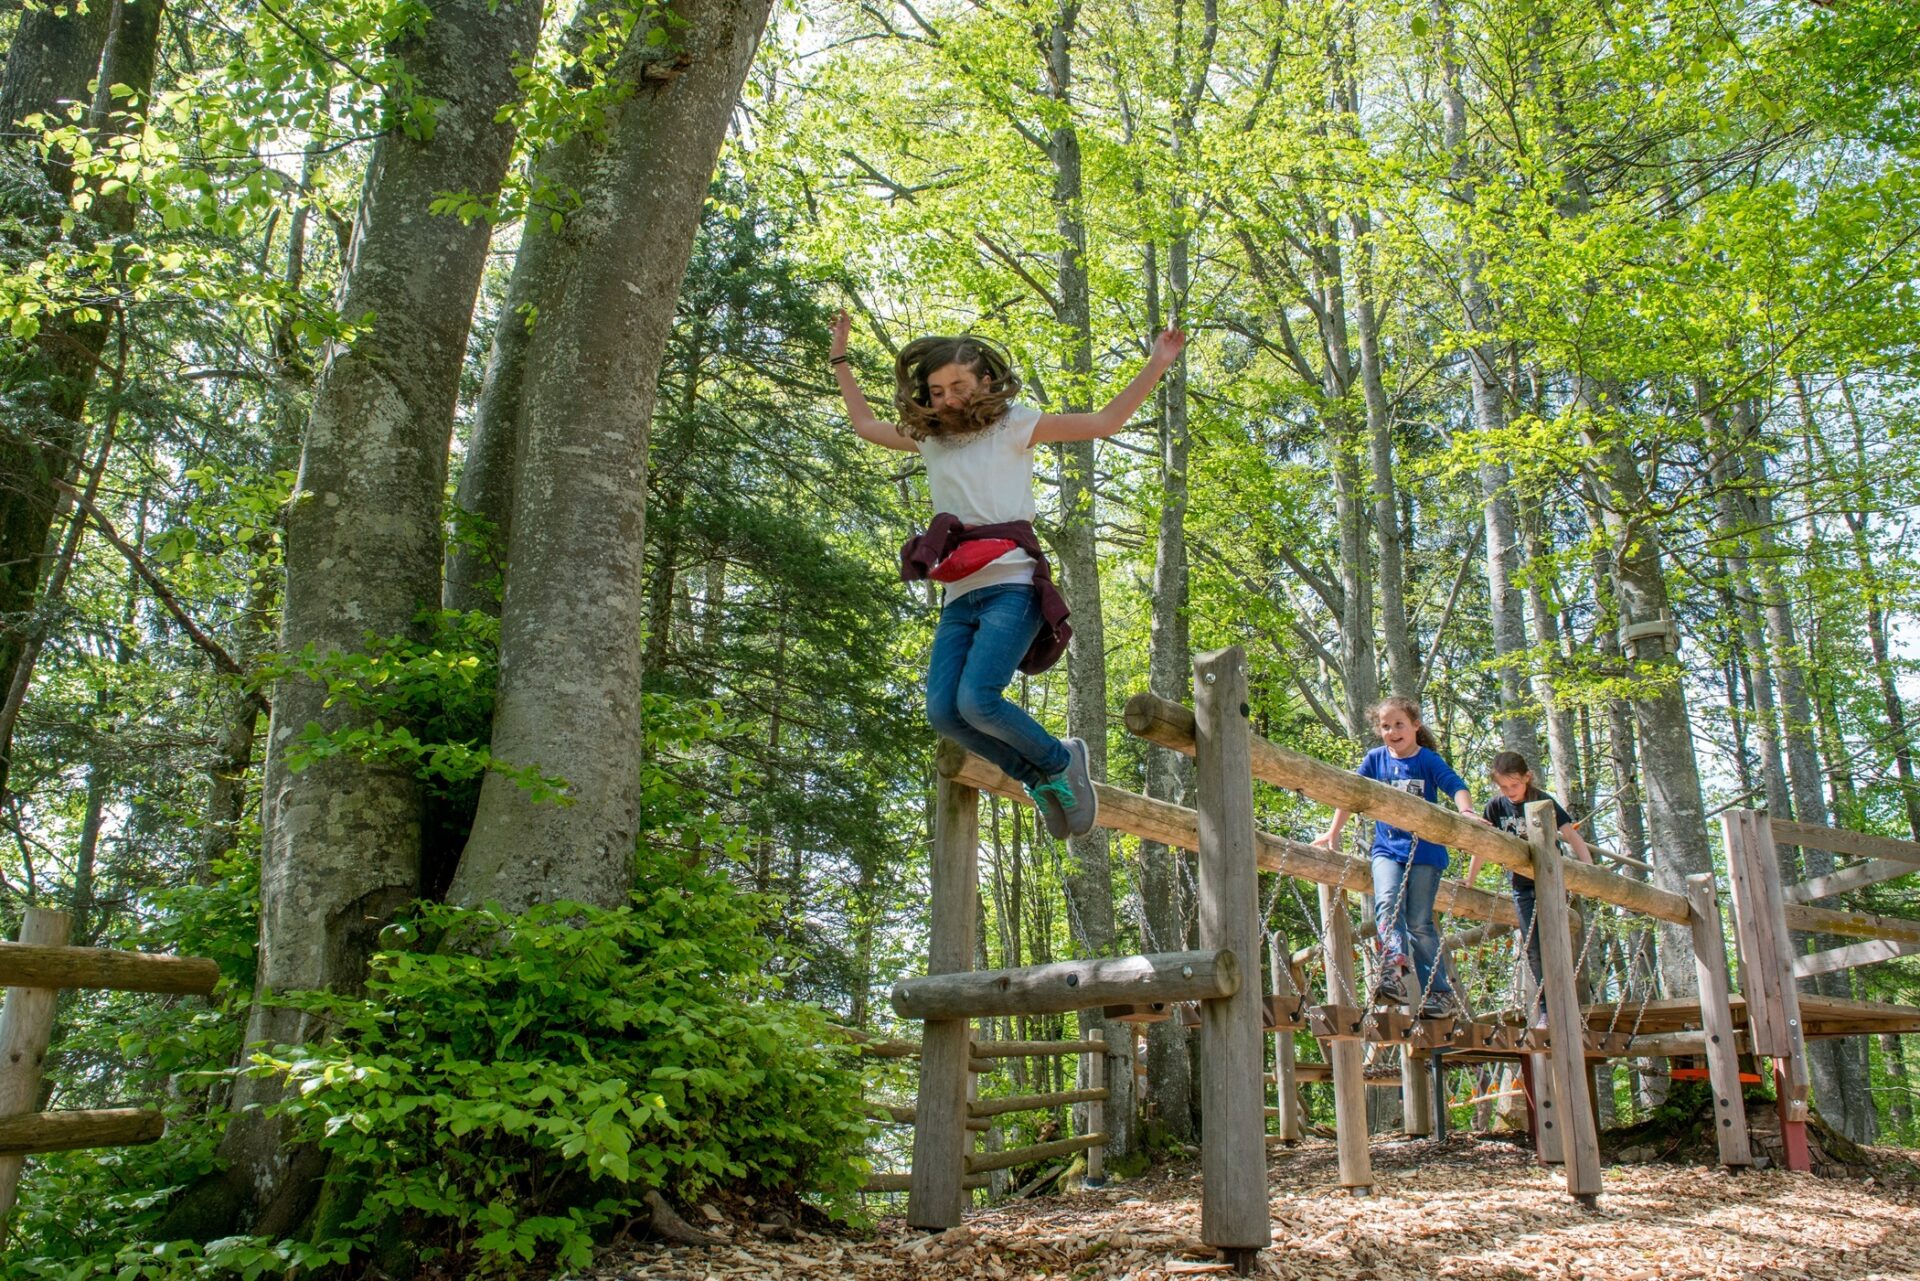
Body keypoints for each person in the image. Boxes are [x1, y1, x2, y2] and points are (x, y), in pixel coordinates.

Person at [830, 311, 1184, 838]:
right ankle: (1037, 779)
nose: (948, 398)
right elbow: (864, 425)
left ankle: (1062, 760)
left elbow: (1104, 422)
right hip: (958, 596)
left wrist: (1157, 363)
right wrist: (840, 357)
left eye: (959, 385)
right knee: (946, 714)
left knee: (978, 699)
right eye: (936, 390)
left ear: (985, 381)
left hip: (1011, 587)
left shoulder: (1015, 424)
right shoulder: (930, 440)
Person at [1311, 696, 1476, 1017]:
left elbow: (1455, 785)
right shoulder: (1375, 760)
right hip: (1387, 849)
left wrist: (1466, 810)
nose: (1392, 731)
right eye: (1385, 726)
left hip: (1425, 852)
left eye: (1399, 724)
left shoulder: (1427, 761)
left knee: (1419, 922)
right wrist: (1334, 833)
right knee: (1386, 903)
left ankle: (1440, 993)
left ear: (1415, 725)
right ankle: (1394, 968)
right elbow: (1350, 791)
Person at [1471, 751, 1595, 1027]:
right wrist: (1470, 881)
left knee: (1555, 942)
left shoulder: (1543, 801)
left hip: (1550, 882)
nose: (1510, 792)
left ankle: (1565, 1006)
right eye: (1504, 787)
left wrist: (1590, 869)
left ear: (1527, 777)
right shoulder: (1496, 807)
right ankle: (1545, 1009)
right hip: (1521, 885)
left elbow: (1571, 835)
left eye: (1514, 785)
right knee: (1532, 948)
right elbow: (1481, 844)